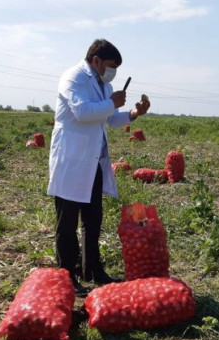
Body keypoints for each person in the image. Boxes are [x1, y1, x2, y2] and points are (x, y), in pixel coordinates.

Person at [47, 39, 151, 295]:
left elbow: (110, 119)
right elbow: (82, 112)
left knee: (93, 219)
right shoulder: (73, 78)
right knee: (67, 222)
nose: (112, 72)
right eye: (110, 66)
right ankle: (66, 275)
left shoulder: (105, 85)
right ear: (95, 60)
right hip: (71, 160)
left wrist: (133, 114)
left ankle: (92, 269)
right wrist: (112, 103)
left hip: (93, 160)